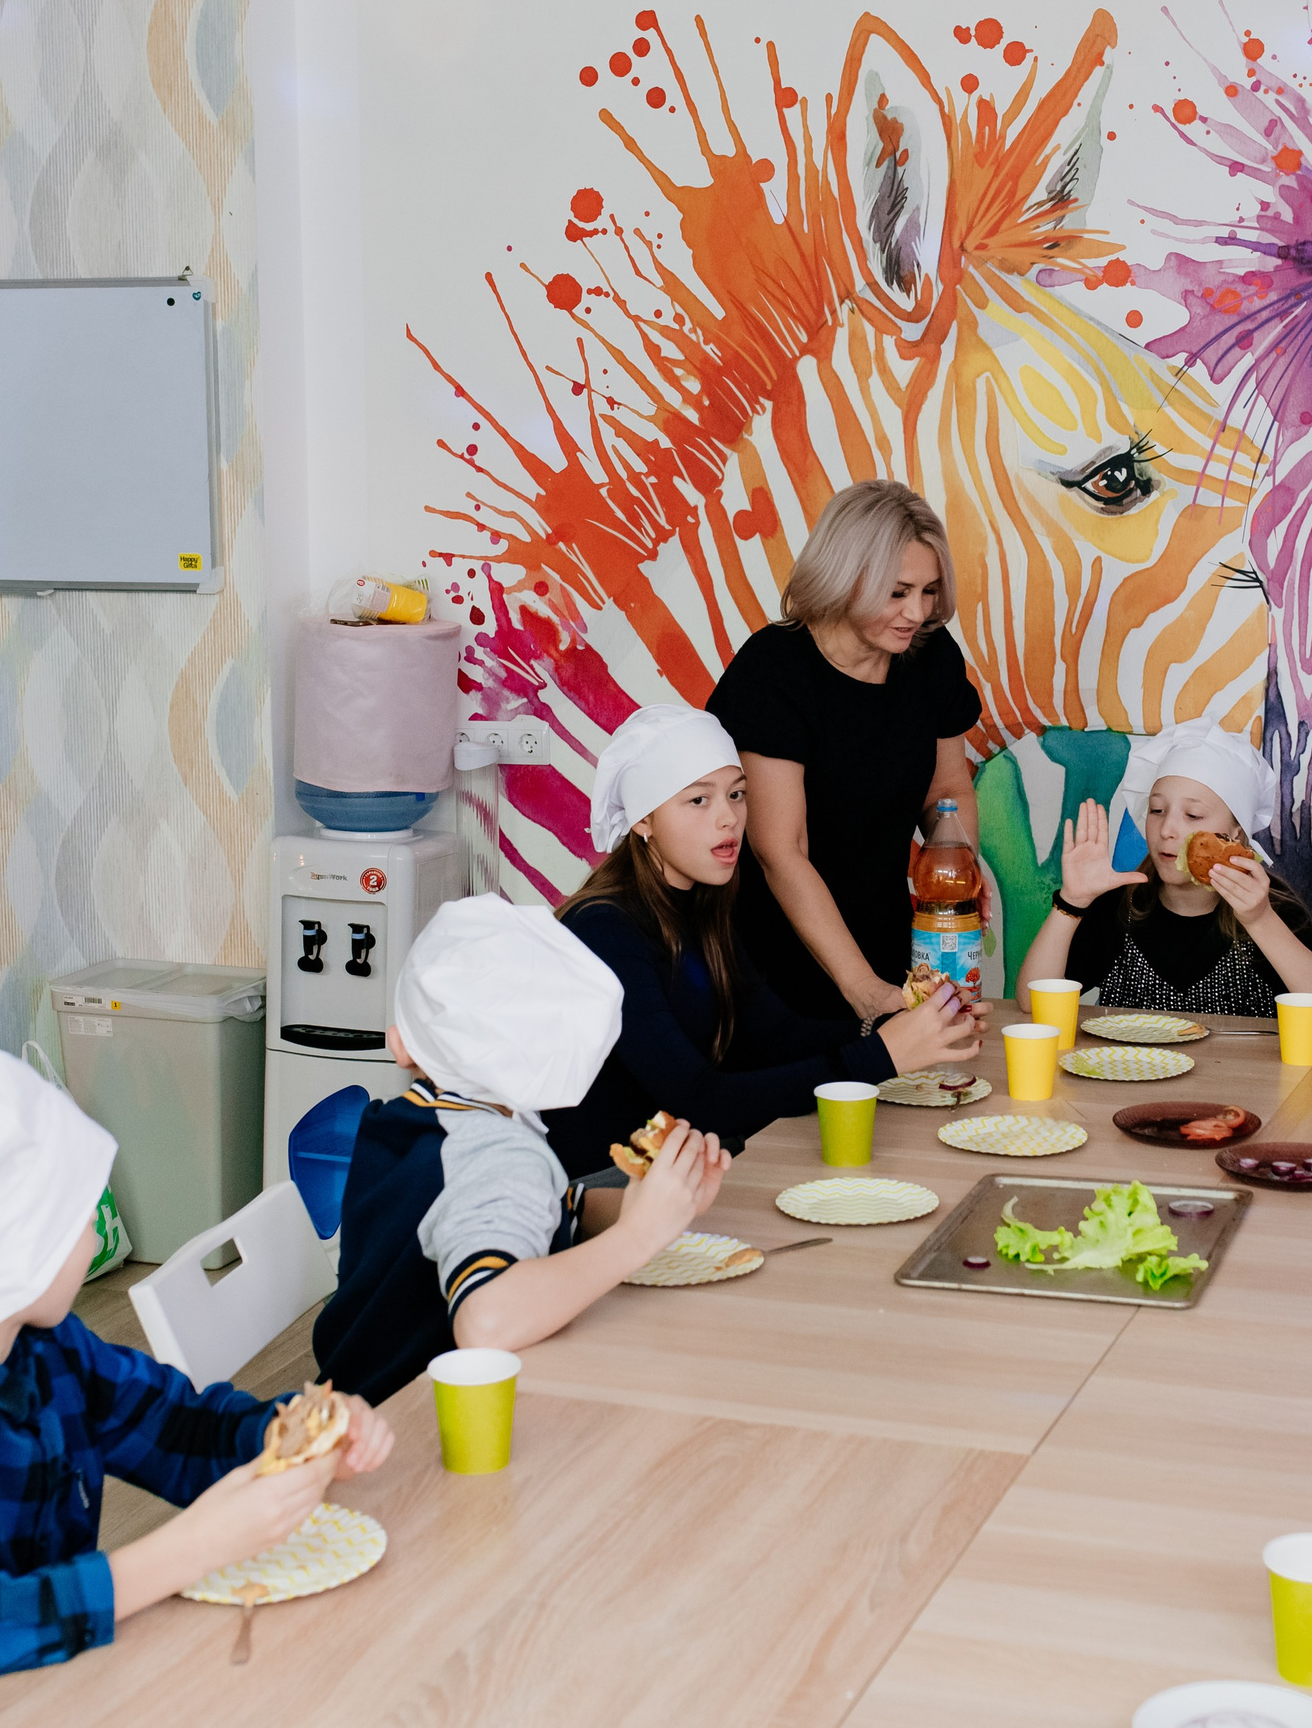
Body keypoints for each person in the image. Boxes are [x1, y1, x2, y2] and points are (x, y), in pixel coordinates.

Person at [0, 1028, 395, 1728]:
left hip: (30, 1685)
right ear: (2, 1246)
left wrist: (294, 1430)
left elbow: (180, 1428)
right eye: (73, 1218)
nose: (93, 1240)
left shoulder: (43, 1342)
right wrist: (189, 1549)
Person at [312, 897, 733, 1404]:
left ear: (401, 1046)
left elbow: (543, 1210)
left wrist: (655, 1204)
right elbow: (485, 1322)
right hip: (418, 1427)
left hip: (350, 1396)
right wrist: (639, 1238)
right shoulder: (501, 1154)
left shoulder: (401, 1122)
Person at [549, 704, 981, 1176]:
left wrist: (905, 1021)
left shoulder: (701, 906)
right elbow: (700, 1099)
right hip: (603, 1188)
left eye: (737, 795)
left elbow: (773, 1036)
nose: (728, 818)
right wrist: (884, 1054)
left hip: (683, 1160)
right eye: (699, 800)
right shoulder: (603, 929)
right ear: (643, 821)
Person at [706, 481, 985, 1021]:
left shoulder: (929, 657)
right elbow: (780, 851)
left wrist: (957, 880)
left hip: (884, 934)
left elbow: (947, 792)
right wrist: (861, 988)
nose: (916, 612)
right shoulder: (774, 671)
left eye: (929, 591)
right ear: (843, 576)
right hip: (773, 953)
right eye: (897, 591)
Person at [1014, 720, 1312, 1019]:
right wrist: (1071, 902)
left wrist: (1260, 920)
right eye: (1157, 810)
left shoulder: (1270, 906)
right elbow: (1032, 1001)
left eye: (1193, 816)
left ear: (1235, 834)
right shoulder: (1120, 906)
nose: (1167, 829)